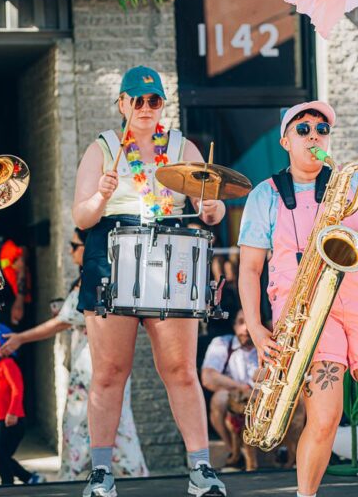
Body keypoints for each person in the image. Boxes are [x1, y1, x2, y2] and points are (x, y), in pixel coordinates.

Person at [238, 101, 358, 497]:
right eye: (302, 129)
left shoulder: (352, 184)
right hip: (307, 311)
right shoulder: (265, 195)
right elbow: (249, 269)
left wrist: (341, 237)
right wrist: (255, 326)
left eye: (321, 128)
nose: (313, 135)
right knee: (325, 417)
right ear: (285, 141)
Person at [72, 65, 227, 497]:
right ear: (122, 104)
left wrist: (213, 210)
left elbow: (208, 202)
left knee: (179, 369)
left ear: (163, 104)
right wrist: (100, 196)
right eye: (136, 100)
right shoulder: (103, 147)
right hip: (111, 252)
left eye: (153, 100)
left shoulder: (182, 147)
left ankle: (201, 470)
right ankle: (101, 473)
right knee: (108, 372)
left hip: (169, 253)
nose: (144, 108)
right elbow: (81, 218)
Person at [0, 228, 148, 480]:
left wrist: (21, 338)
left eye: (74, 244)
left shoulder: (94, 279)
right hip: (102, 360)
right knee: (116, 422)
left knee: (84, 422)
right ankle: (129, 475)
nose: (70, 251)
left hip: (93, 362)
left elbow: (63, 322)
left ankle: (73, 478)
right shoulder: (107, 276)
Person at [0, 324, 41, 486]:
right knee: (2, 456)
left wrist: (12, 412)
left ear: (3, 347)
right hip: (0, 420)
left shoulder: (8, 365)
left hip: (12, 419)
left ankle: (7, 484)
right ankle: (29, 478)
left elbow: (18, 389)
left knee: (0, 457)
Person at [200, 309, 258, 466]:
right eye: (241, 322)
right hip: (236, 397)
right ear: (233, 326)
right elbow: (208, 377)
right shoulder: (222, 343)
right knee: (219, 399)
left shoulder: (266, 346)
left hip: (262, 399)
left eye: (251, 322)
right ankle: (233, 450)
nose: (246, 328)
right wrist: (242, 388)